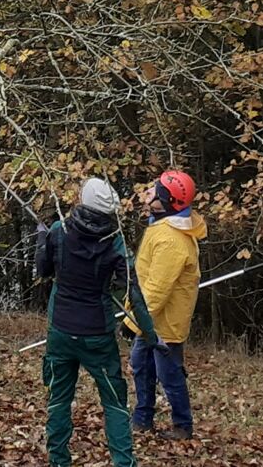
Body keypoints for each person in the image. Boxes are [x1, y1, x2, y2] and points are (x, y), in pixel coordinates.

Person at [36, 178, 155, 467]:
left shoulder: (59, 231)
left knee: (59, 399)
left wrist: (42, 240)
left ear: (82, 202)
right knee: (114, 403)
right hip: (97, 335)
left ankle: (59, 461)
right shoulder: (115, 243)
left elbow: (43, 270)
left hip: (61, 331)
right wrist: (151, 334)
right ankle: (124, 463)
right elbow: (132, 292)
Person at [123, 169, 207, 441]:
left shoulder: (172, 240)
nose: (149, 194)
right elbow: (145, 278)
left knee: (168, 374)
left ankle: (183, 426)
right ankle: (142, 419)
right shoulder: (163, 224)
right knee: (141, 364)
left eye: (156, 192)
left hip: (164, 323)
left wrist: (131, 321)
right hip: (150, 317)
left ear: (168, 203)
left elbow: (157, 289)